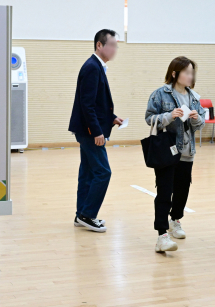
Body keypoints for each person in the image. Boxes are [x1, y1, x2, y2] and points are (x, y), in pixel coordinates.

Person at [145, 56, 206, 253]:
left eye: (192, 73)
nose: (190, 76)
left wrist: (196, 119)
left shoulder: (194, 97)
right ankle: (161, 235)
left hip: (187, 151)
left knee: (182, 190)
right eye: (186, 72)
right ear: (174, 73)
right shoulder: (160, 94)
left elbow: (201, 123)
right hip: (166, 150)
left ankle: (175, 221)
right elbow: (149, 118)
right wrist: (168, 116)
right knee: (164, 191)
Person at [68, 29, 123, 233]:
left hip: (88, 129)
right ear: (99, 45)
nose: (115, 49)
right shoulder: (92, 67)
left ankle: (81, 214)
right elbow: (86, 104)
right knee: (103, 172)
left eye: (117, 45)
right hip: (89, 131)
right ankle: (87, 214)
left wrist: (112, 118)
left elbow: (97, 103)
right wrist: (97, 132)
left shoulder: (97, 67)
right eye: (112, 45)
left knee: (89, 172)